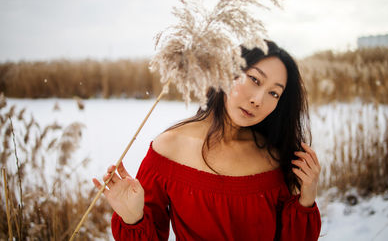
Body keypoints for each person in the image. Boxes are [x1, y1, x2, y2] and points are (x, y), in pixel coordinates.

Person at [93, 40, 322, 240]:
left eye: (274, 93)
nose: (258, 99)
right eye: (254, 79)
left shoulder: (276, 157)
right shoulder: (170, 148)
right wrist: (133, 217)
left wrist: (306, 200)